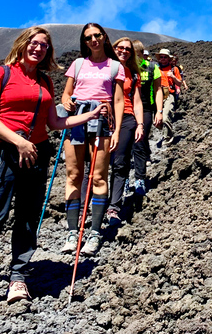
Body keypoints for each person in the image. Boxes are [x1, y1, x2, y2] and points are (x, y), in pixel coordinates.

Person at [0, 27, 106, 317]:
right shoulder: (0, 74)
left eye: (44, 45)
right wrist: (18, 141)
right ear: (22, 45)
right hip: (3, 153)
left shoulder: (45, 81)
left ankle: (18, 279)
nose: (38, 48)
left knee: (29, 218)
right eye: (34, 43)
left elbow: (54, 122)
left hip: (36, 153)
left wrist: (90, 115)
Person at [60, 23, 125, 257]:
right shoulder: (78, 64)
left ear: (104, 37)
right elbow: (67, 93)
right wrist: (67, 101)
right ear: (84, 41)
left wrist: (116, 129)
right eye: (88, 37)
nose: (93, 40)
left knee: (98, 176)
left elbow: (118, 100)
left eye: (97, 35)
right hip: (77, 120)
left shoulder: (115, 66)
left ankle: (95, 233)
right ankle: (72, 232)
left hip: (101, 122)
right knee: (74, 175)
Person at [105, 38, 145, 223]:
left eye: (128, 49)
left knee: (120, 163)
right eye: (120, 47)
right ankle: (89, 206)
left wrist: (140, 124)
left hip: (127, 118)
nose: (124, 51)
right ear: (113, 48)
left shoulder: (133, 74)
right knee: (98, 165)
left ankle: (114, 207)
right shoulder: (102, 68)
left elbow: (136, 101)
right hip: (102, 117)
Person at [131, 40, 163, 194]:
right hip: (126, 109)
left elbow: (158, 90)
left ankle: (139, 178)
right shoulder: (125, 67)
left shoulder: (151, 68)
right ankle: (124, 179)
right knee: (124, 147)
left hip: (146, 109)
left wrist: (159, 111)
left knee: (139, 142)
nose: (136, 56)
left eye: (138, 53)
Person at [155, 49, 183, 144]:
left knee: (166, 117)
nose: (163, 59)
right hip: (157, 94)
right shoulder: (155, 69)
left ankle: (168, 138)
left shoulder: (174, 69)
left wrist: (173, 77)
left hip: (169, 94)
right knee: (157, 121)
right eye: (161, 57)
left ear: (169, 58)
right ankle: (164, 132)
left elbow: (179, 83)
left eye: (165, 57)